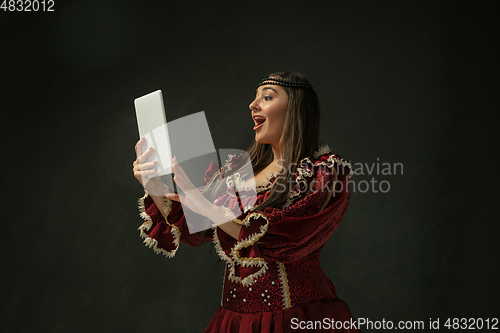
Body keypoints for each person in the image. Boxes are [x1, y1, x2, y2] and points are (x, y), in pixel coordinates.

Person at [132, 72, 361, 332]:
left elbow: (287, 240)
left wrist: (208, 208)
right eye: (254, 99)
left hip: (293, 319)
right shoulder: (238, 173)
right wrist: (153, 185)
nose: (253, 105)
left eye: (266, 97)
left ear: (296, 107)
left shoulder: (322, 174)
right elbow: (195, 231)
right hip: (234, 321)